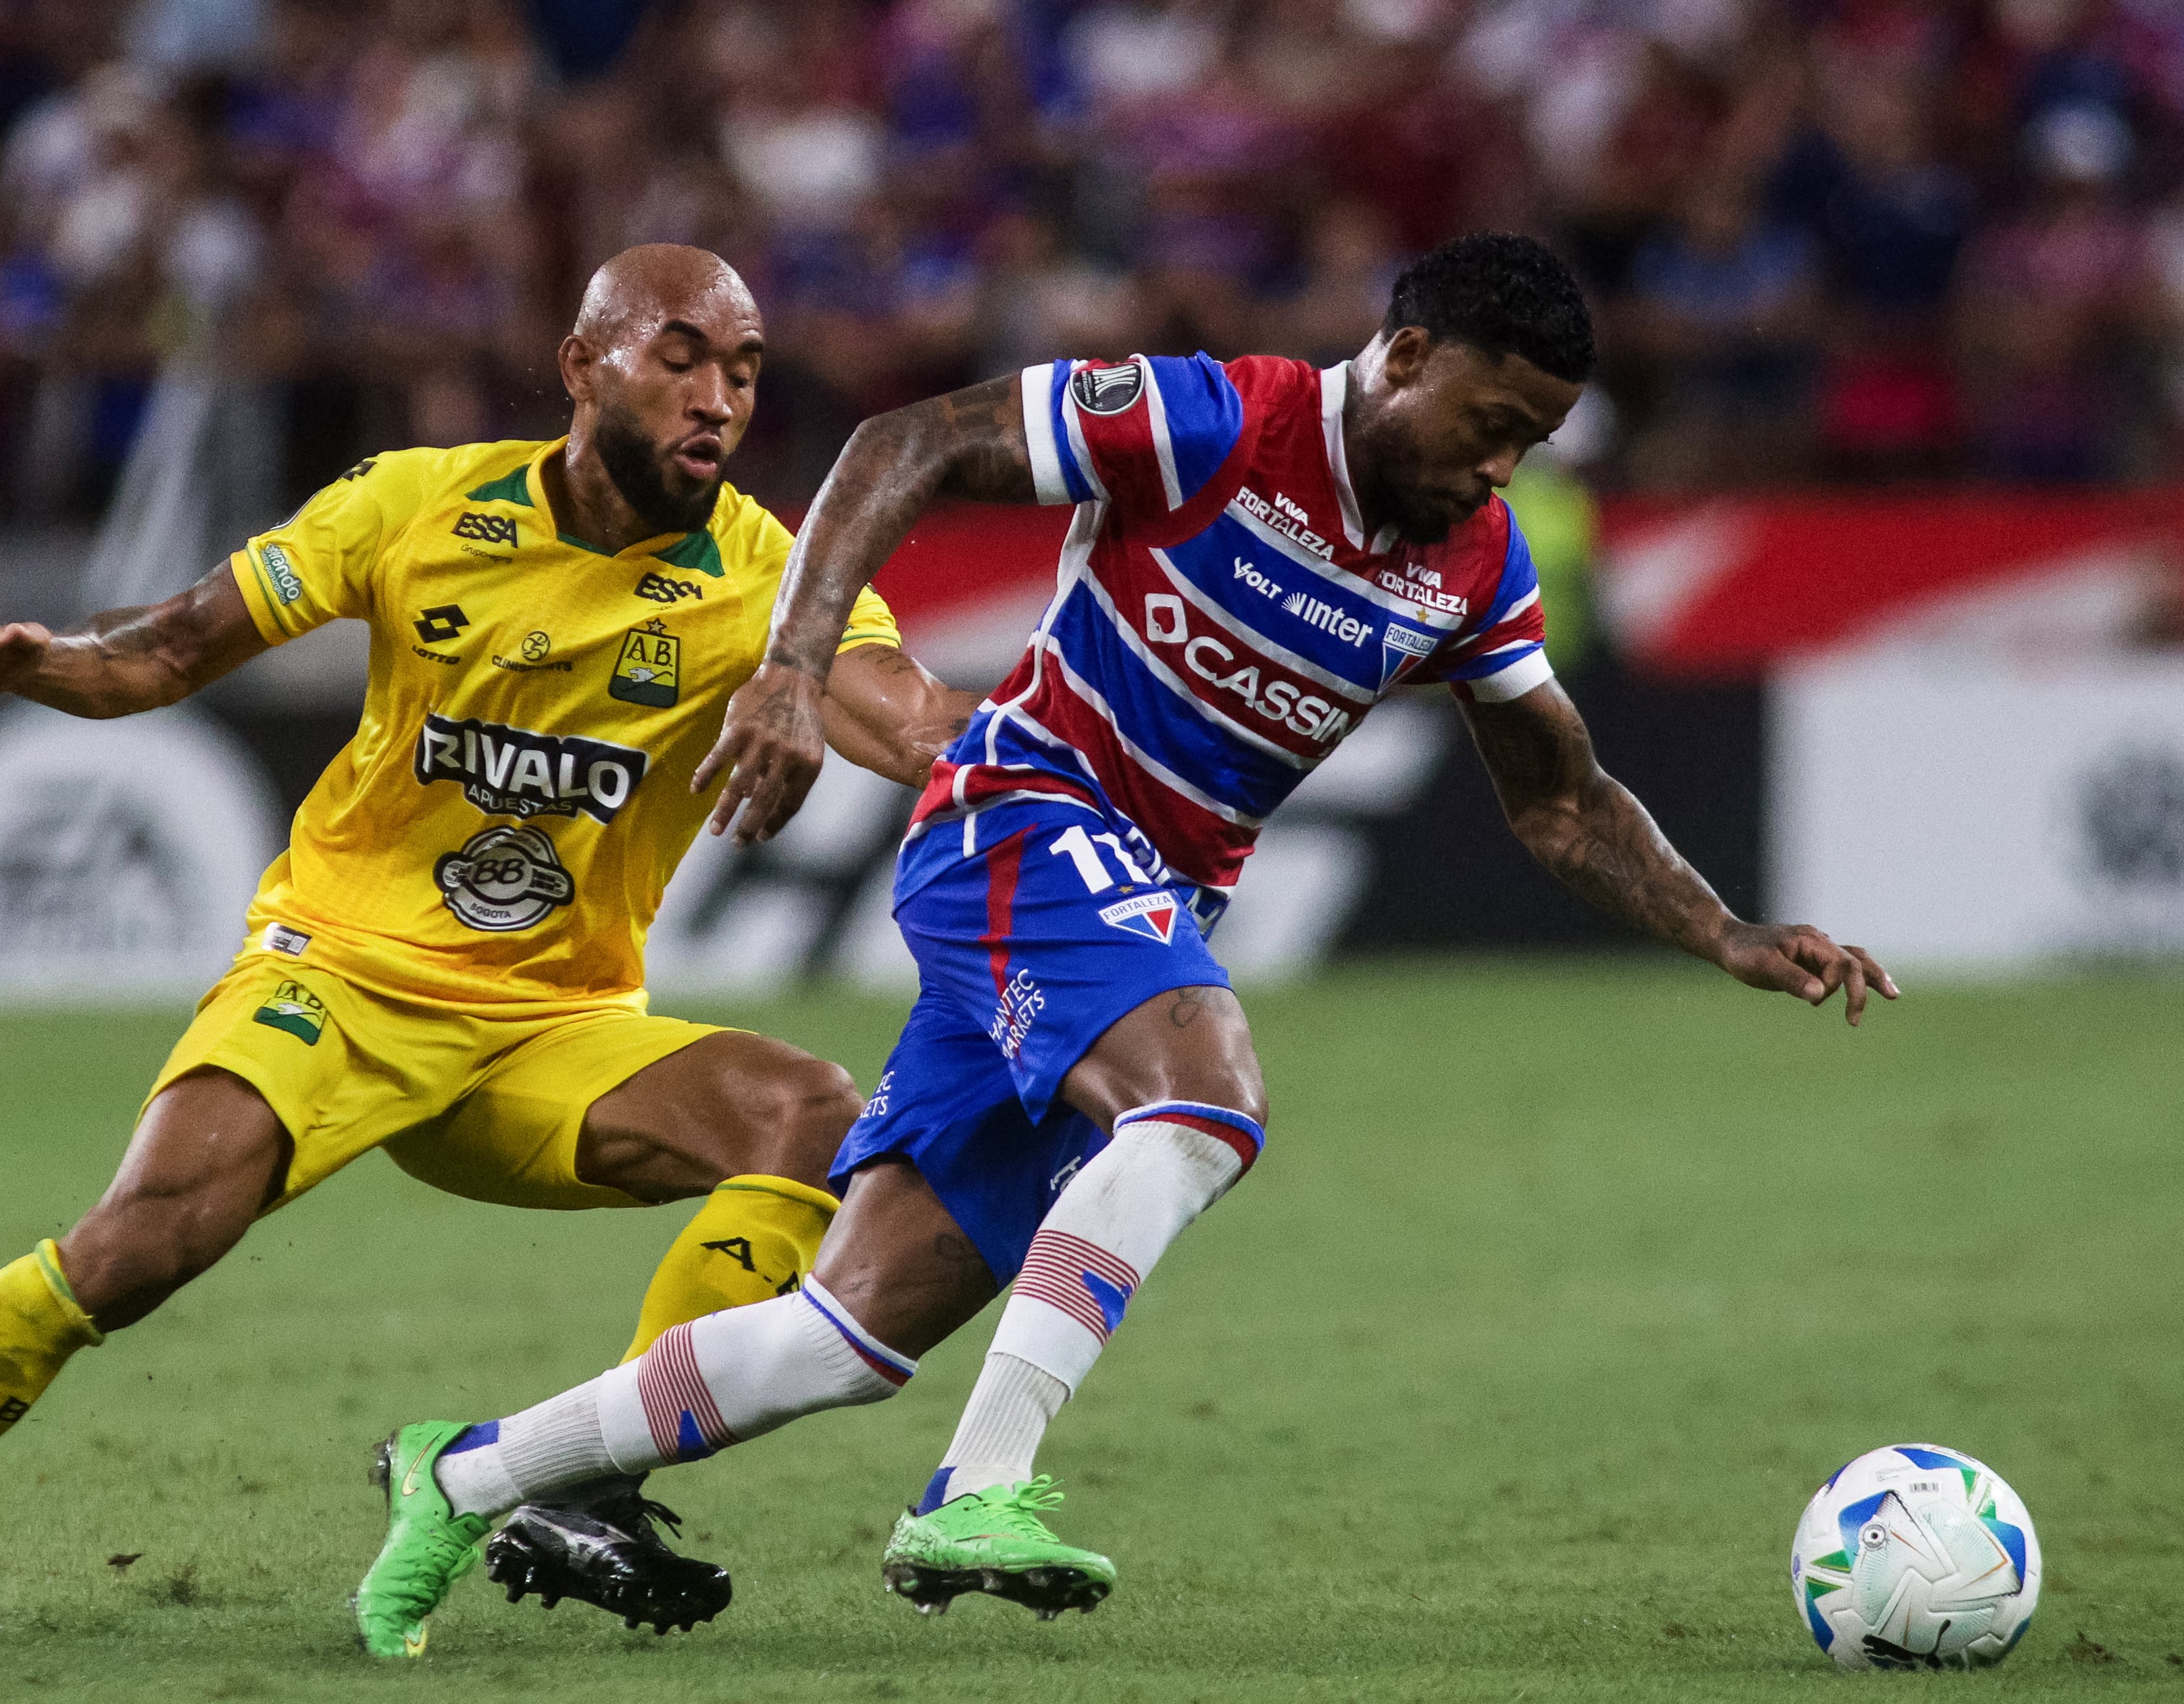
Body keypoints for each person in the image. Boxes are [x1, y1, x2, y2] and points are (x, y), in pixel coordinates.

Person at [347, 231, 1900, 1630]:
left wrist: (1721, 930)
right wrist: (790, 664)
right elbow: (912, 439)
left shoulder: (1472, 563)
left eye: (1536, 444)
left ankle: (467, 1470)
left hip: (1117, 910)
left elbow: (1555, 799)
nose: (1500, 469)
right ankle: (971, 1496)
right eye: (1492, 426)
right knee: (1204, 1098)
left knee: (845, 1334)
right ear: (1404, 358)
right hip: (1012, 821)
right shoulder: (1216, 418)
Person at [0, 244, 976, 1655]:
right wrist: (46, 660)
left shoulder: (768, 580)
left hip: (552, 1029)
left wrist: (1097, 743)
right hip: (338, 981)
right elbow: (170, 650)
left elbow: (915, 724)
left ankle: (591, 1476)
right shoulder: (418, 503)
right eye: (678, 355)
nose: (715, 398)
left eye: (740, 370)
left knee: (808, 1115)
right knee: (133, 1250)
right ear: (582, 366)